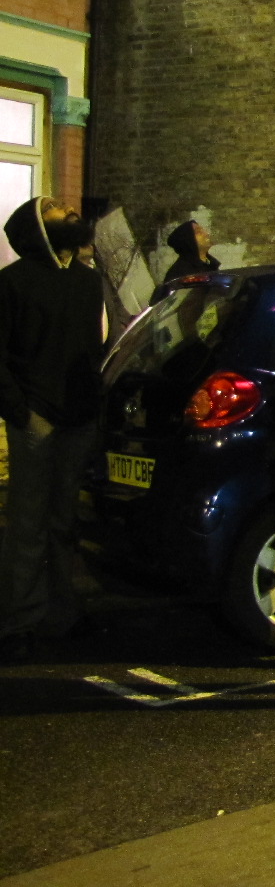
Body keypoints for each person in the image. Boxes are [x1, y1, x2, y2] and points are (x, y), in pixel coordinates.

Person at [0, 198, 104, 664]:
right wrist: (20, 412)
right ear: (37, 230)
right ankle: (21, 619)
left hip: (77, 417)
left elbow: (94, 347)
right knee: (27, 523)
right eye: (56, 210)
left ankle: (64, 612)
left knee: (64, 521)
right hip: (36, 418)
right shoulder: (13, 282)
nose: (69, 212)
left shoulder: (88, 281)